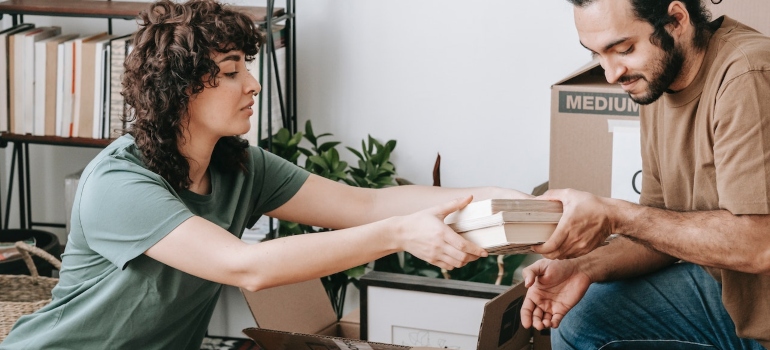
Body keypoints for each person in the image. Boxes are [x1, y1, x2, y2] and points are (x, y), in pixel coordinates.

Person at [0, 0, 531, 348]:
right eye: (232, 72)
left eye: (247, 68)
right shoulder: (121, 183)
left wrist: (491, 195)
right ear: (178, 88)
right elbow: (243, 266)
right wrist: (398, 235)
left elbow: (361, 204)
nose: (252, 85)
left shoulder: (239, 165)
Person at [519, 0, 770, 348]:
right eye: (596, 55)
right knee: (580, 320)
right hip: (733, 291)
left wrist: (615, 215)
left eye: (623, 49)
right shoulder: (658, 81)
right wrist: (585, 267)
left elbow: (760, 246)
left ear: (676, 20)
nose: (611, 74)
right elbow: (662, 231)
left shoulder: (747, 75)